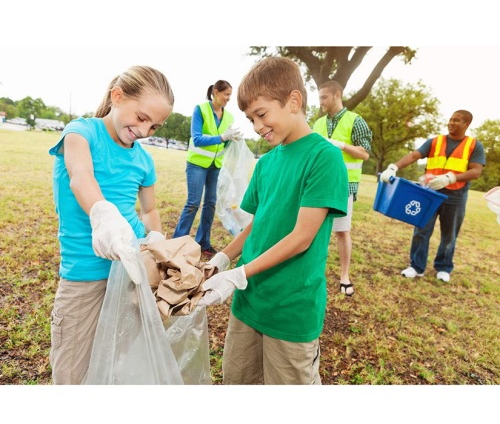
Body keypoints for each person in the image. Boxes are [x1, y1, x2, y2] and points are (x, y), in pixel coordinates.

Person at [197, 56, 348, 384]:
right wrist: (223, 260)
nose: (257, 126)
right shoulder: (265, 163)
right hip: (248, 304)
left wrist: (239, 274)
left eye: (261, 114)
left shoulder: (324, 157)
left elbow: (301, 238)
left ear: (293, 101)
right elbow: (256, 225)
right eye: (251, 119)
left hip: (290, 310)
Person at [49, 65, 174, 384]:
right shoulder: (81, 132)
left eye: (155, 126)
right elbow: (81, 177)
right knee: (73, 371)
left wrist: (155, 240)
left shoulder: (144, 160)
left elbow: (149, 211)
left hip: (131, 276)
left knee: (120, 367)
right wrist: (103, 216)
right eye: (142, 118)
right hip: (86, 277)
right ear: (117, 97)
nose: (146, 131)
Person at [380, 110, 486, 283]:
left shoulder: (474, 145)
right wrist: (394, 166)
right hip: (429, 193)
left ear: (466, 124)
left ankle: (443, 267)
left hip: (456, 196)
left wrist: (451, 177)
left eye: (457, 120)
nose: (451, 122)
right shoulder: (435, 141)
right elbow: (415, 155)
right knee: (421, 230)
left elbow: (476, 171)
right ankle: (416, 266)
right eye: (450, 119)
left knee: (449, 235)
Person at [313, 80, 372, 297]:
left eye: (324, 98)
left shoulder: (356, 121)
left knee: (341, 231)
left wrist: (340, 145)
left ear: (337, 95)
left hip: (344, 186)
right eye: (319, 98)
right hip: (319, 184)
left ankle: (344, 276)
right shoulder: (318, 123)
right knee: (315, 230)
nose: (320, 103)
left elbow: (365, 153)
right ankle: (314, 271)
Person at [173, 80, 243, 256]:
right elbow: (196, 138)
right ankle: (177, 243)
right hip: (197, 163)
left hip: (215, 166)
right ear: (215, 92)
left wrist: (232, 140)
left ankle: (203, 242)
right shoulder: (201, 110)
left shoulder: (229, 117)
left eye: (230, 95)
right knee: (193, 203)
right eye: (226, 94)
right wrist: (221, 137)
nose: (228, 98)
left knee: (210, 204)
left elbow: (223, 143)